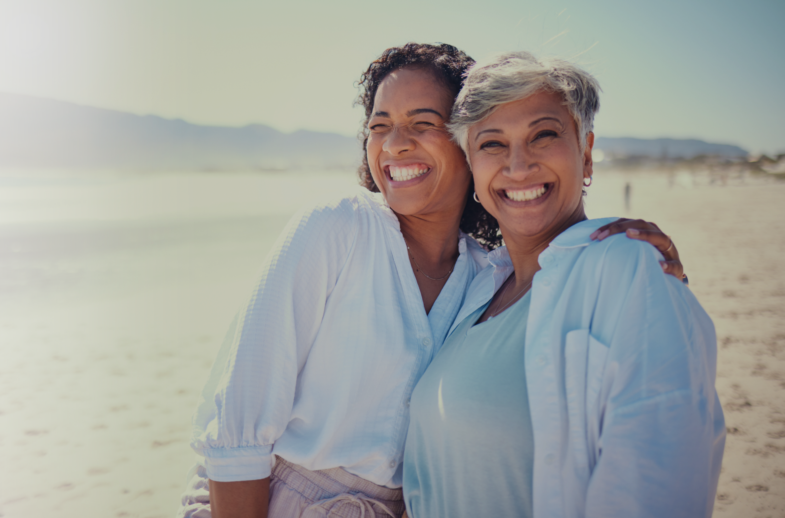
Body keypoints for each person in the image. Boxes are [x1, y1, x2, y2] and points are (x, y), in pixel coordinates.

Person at [179, 43, 687, 518]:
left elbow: (555, 245)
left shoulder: (489, 277)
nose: (396, 144)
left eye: (423, 122)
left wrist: (623, 244)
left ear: (466, 145)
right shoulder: (338, 227)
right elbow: (236, 433)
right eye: (380, 126)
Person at [402, 52, 724, 517]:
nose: (518, 165)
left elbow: (654, 485)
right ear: (471, 165)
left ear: (586, 153)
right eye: (492, 144)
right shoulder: (474, 286)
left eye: (544, 135)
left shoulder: (629, 269)